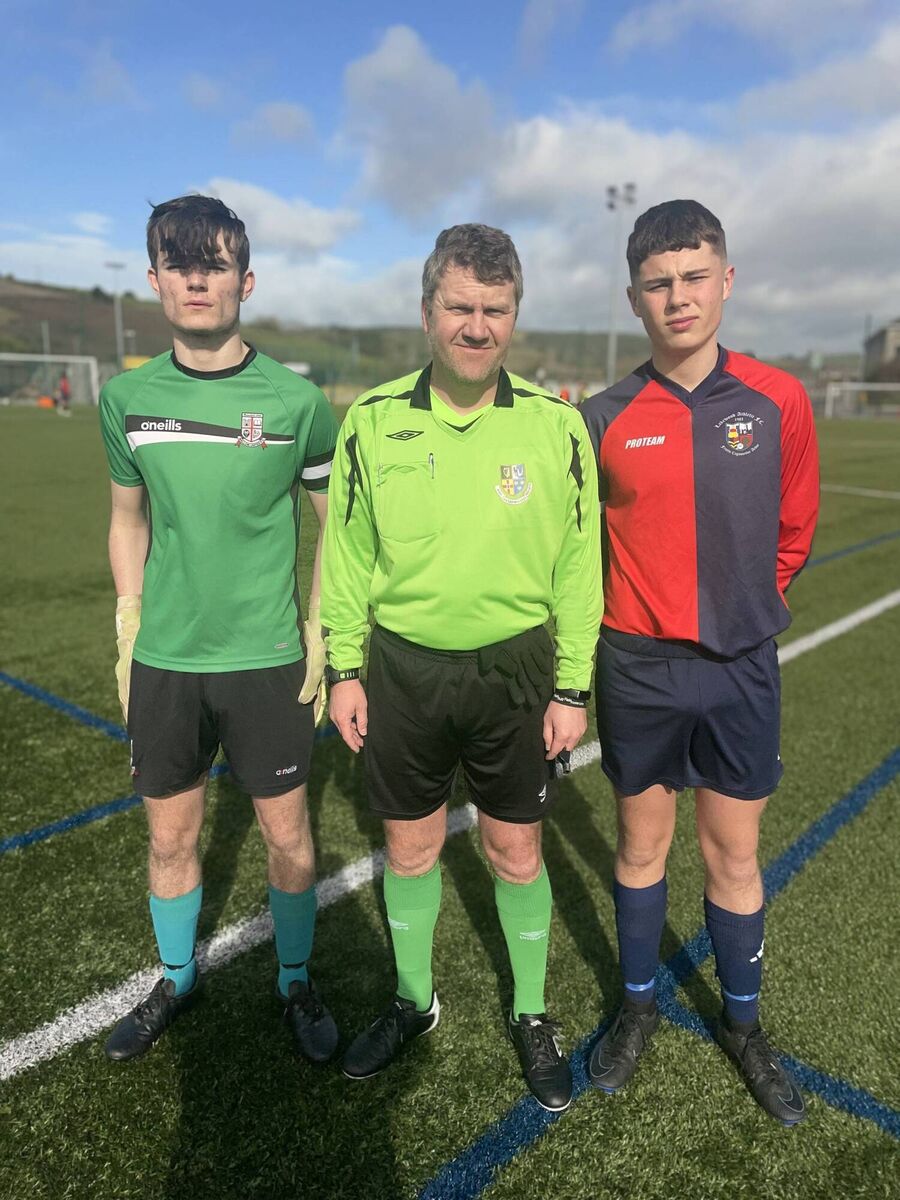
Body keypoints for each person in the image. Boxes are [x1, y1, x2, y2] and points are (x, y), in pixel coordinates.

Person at [321, 224, 602, 1111]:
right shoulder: (371, 420)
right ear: (426, 311)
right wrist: (343, 668)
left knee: (514, 850)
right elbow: (347, 558)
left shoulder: (558, 427)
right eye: (459, 307)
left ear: (514, 316)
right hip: (401, 671)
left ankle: (529, 1011)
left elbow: (579, 567)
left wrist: (571, 685)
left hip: (517, 675)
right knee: (409, 847)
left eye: (495, 309)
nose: (476, 327)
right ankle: (414, 1000)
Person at [580, 200, 819, 1125]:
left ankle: (744, 1025)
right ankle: (637, 1010)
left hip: (739, 668)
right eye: (657, 284)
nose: (677, 298)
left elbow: (794, 528)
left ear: (726, 280)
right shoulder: (603, 414)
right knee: (642, 846)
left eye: (693, 277)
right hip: (638, 667)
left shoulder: (778, 399)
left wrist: (752, 608)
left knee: (734, 852)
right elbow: (581, 549)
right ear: (635, 297)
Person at [98, 194, 338, 1063]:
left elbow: (334, 528)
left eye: (216, 261)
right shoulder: (125, 399)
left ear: (246, 277)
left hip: (268, 661)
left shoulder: (298, 404)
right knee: (170, 836)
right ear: (155, 277)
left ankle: (296, 980)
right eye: (178, 260)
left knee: (286, 833)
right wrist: (129, 621)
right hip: (165, 662)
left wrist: (323, 629)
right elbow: (128, 520)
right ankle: (175, 978)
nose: (198, 276)